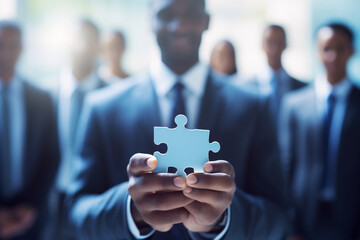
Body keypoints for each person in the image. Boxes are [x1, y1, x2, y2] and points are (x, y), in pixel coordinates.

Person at [65, 0, 287, 239]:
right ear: (149, 20)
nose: (178, 26)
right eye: (166, 14)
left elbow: (278, 218)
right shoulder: (102, 107)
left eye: (190, 13)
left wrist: (222, 218)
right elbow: (77, 214)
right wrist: (130, 209)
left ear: (207, 20)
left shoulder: (254, 106)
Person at [280, 22, 360, 240]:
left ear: (351, 51)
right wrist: (291, 224)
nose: (333, 56)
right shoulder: (294, 104)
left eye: (340, 48)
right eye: (326, 49)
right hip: (304, 217)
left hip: (351, 217)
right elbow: (286, 166)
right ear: (317, 52)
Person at [0, 21, 59, 240]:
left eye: (13, 45)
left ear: (21, 48)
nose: (6, 52)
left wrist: (31, 205)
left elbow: (52, 155)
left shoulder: (41, 98)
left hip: (30, 218)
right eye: (1, 45)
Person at [54, 19, 106, 239]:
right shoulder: (43, 95)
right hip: (50, 204)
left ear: (99, 47)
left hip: (97, 202)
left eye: (90, 41)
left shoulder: (113, 97)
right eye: (77, 40)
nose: (83, 47)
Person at [248, 24, 306, 119]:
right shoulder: (248, 87)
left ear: (286, 45)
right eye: (270, 43)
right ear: (262, 45)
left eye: (279, 43)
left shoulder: (302, 89)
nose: (274, 49)